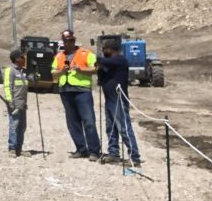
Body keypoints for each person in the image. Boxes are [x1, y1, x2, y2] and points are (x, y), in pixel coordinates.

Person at [51, 29, 101, 160]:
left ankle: (94, 151)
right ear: (63, 41)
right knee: (72, 123)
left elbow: (96, 68)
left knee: (88, 121)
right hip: (66, 91)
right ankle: (81, 149)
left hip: (82, 91)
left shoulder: (86, 53)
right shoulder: (59, 56)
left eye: (71, 40)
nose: (69, 43)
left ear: (74, 40)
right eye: (66, 40)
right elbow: (53, 73)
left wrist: (81, 70)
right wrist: (62, 71)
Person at [97, 40, 143, 166]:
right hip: (109, 99)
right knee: (110, 127)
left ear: (111, 49)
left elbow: (102, 61)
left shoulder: (120, 60)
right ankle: (113, 153)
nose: (103, 51)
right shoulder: (110, 64)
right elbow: (101, 76)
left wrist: (95, 60)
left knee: (124, 128)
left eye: (105, 48)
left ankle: (134, 157)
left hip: (118, 99)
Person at [4, 49, 28, 157]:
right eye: (22, 57)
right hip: (14, 104)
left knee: (22, 126)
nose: (24, 59)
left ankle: (19, 148)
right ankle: (12, 148)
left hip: (22, 104)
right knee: (14, 126)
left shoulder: (22, 71)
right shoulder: (10, 70)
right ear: (17, 59)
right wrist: (10, 102)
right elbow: (7, 87)